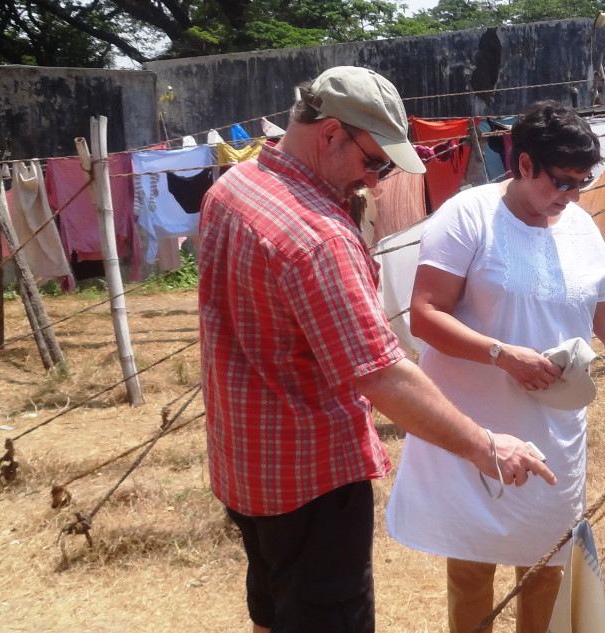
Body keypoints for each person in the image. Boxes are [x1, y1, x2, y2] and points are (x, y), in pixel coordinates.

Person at [197, 66, 554, 633]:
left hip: (246, 463)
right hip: (311, 479)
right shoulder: (316, 236)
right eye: (374, 162)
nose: (376, 181)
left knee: (272, 609)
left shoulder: (233, 188)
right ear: (331, 133)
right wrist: (486, 445)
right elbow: (381, 374)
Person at [384, 100, 605, 633]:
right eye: (561, 181)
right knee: (472, 569)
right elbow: (425, 315)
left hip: (555, 428)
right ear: (524, 164)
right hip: (477, 424)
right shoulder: (467, 216)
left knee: (548, 564)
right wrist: (502, 354)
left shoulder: (580, 227)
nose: (571, 196)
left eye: (581, 182)